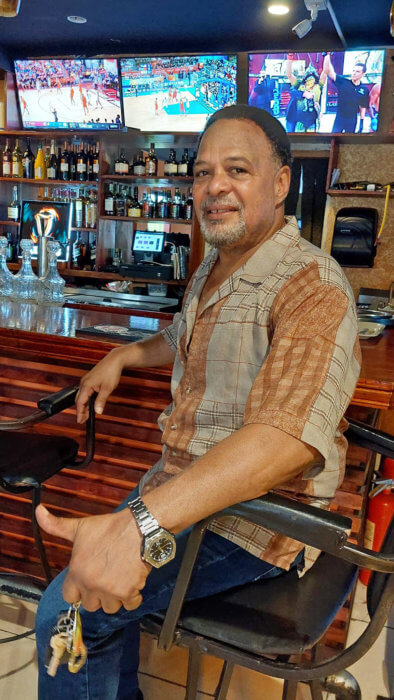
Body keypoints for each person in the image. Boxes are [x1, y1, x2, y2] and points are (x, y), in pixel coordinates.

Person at [35, 104, 360, 700]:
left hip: (253, 523)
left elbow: (285, 441)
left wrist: (139, 525)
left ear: (282, 182)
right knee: (93, 593)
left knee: (69, 608)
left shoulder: (312, 285)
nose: (215, 187)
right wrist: (126, 355)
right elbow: (187, 334)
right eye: (204, 172)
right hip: (177, 485)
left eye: (237, 170)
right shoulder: (216, 262)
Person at [323, 53, 370, 133]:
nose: (354, 73)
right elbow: (328, 71)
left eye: (357, 71)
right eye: (353, 70)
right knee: (334, 139)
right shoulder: (343, 82)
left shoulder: (364, 89)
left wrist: (362, 122)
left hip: (352, 120)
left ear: (363, 74)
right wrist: (327, 55)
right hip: (340, 118)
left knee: (348, 142)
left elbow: (363, 106)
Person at [285, 54, 327, 132]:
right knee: (299, 140)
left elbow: (325, 72)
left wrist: (327, 56)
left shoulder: (318, 86)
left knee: (311, 141)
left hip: (312, 120)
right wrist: (289, 57)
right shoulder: (299, 84)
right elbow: (289, 75)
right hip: (299, 120)